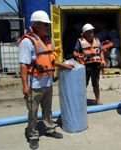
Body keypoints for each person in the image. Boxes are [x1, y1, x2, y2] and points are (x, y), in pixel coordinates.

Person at [18, 10, 74, 150]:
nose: (47, 27)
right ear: (36, 25)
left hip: (47, 82)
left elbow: (50, 61)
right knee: (33, 111)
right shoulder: (27, 42)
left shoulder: (49, 41)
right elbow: (24, 65)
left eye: (48, 25)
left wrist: (63, 65)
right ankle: (33, 136)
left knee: (47, 110)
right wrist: (25, 86)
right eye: (45, 25)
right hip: (34, 84)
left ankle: (49, 129)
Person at [73, 23, 105, 105]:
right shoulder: (80, 41)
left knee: (96, 84)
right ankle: (81, 101)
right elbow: (75, 53)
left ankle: (98, 101)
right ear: (84, 34)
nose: (91, 33)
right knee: (84, 84)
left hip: (96, 65)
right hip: (86, 66)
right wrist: (79, 55)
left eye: (92, 31)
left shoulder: (97, 40)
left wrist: (103, 60)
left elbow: (101, 51)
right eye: (89, 31)